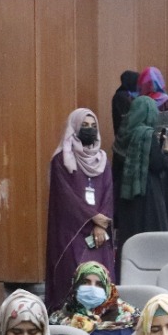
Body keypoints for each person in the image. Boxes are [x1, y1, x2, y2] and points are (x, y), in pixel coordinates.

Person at [45, 108, 115, 306]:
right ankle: (68, 319)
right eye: (84, 125)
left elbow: (108, 193)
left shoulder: (103, 161)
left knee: (100, 277)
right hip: (71, 231)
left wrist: (100, 224)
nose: (89, 129)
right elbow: (66, 197)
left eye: (93, 126)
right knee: (73, 276)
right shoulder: (61, 160)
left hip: (99, 232)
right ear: (74, 128)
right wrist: (93, 217)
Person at [113, 97, 168, 255]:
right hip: (147, 194)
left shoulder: (122, 133)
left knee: (129, 238)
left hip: (125, 193)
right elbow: (157, 164)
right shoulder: (147, 134)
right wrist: (166, 152)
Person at [48, 261, 138, 335]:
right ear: (75, 284)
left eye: (99, 284)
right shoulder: (60, 319)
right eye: (85, 282)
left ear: (107, 288)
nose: (92, 288)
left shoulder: (127, 318)